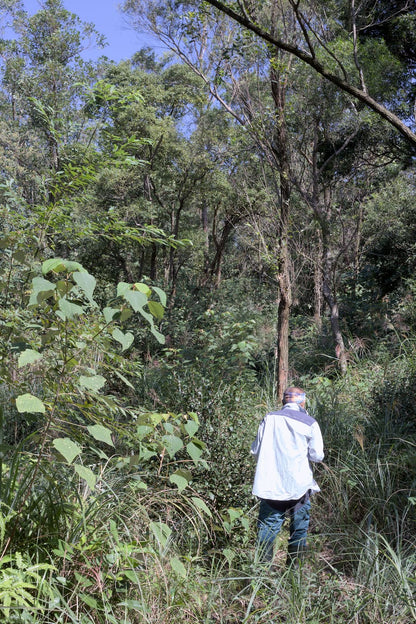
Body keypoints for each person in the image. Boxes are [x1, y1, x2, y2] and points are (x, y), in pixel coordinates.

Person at [251, 386, 324, 565]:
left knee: (267, 530)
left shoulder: (269, 418)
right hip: (300, 487)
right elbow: (317, 456)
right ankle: (294, 578)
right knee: (298, 532)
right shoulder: (310, 422)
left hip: (271, 487)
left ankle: (261, 577)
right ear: (303, 401)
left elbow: (255, 450)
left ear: (283, 401)